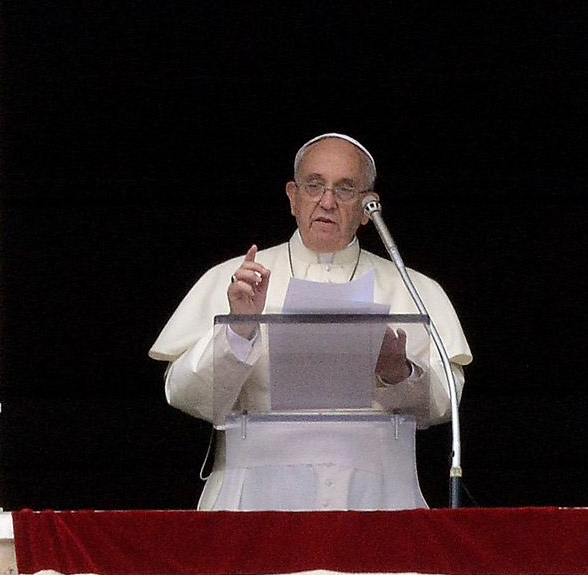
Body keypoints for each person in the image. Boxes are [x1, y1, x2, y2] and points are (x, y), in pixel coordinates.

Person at [150, 132, 471, 510]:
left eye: (345, 189)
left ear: (370, 205)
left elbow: (444, 406)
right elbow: (185, 395)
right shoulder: (235, 279)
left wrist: (397, 373)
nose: (327, 202)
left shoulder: (412, 288)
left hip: (378, 501)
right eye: (314, 185)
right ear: (292, 197)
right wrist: (239, 330)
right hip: (253, 498)